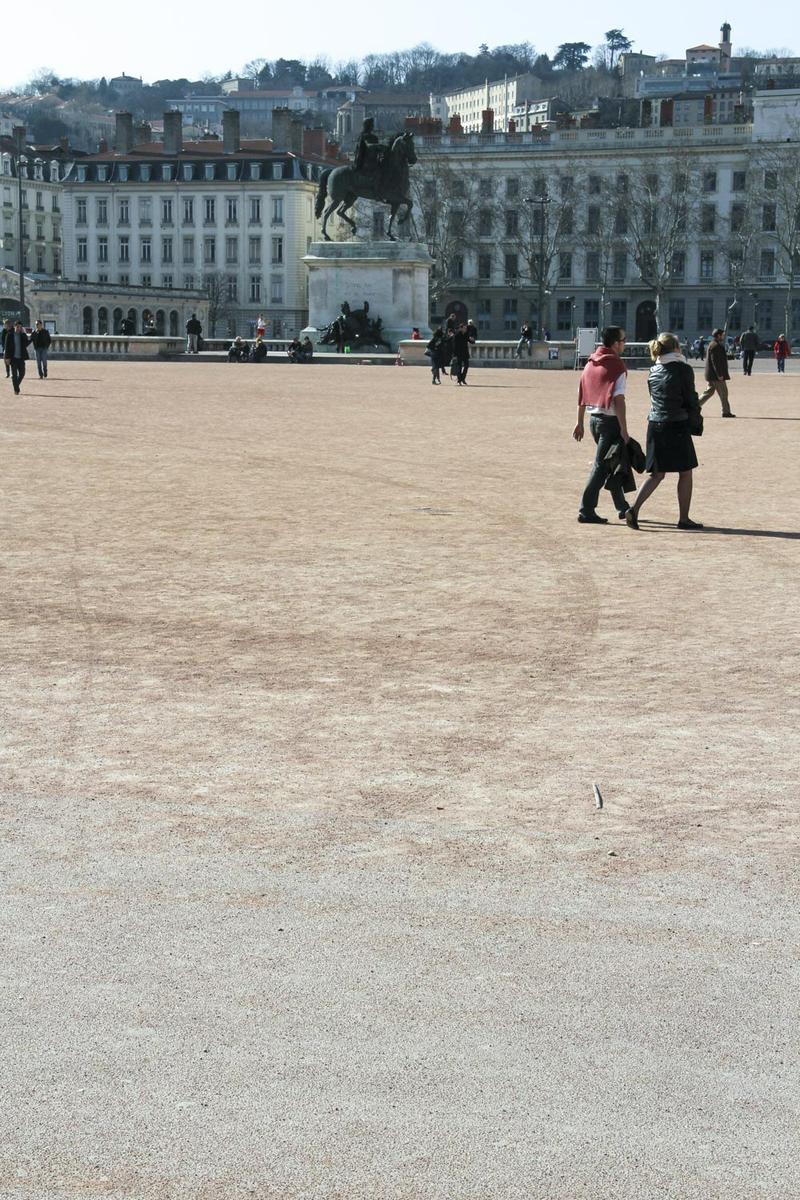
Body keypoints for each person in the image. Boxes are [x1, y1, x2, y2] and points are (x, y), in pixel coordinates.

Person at [625, 332, 702, 531]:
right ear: (676, 347)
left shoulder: (654, 370)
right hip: (676, 424)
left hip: (655, 424)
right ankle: (684, 518)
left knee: (656, 474)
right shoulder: (683, 369)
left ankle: (633, 509)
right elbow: (690, 398)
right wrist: (696, 420)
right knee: (685, 472)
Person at [573, 326, 631, 524]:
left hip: (593, 421)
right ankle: (586, 509)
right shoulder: (616, 366)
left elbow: (582, 393)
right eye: (623, 340)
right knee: (602, 466)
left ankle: (622, 507)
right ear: (615, 343)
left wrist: (579, 422)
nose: (625, 343)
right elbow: (619, 400)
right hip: (610, 421)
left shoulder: (591, 362)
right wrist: (624, 428)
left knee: (611, 463)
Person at [699, 328, 734, 417]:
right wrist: (720, 375)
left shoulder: (713, 344)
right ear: (718, 335)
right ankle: (726, 412)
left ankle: (693, 408)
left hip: (712, 375)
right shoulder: (716, 346)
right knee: (724, 393)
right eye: (722, 335)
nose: (723, 336)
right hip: (716, 375)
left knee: (708, 393)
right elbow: (715, 362)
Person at [4, 319, 31, 395]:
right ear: (15, 326)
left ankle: (16, 385)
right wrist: (7, 358)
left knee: (22, 373)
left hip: (21, 358)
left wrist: (25, 334)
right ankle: (16, 390)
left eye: (20, 327)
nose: (19, 328)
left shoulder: (22, 335)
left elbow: (26, 344)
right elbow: (7, 347)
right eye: (18, 327)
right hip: (13, 358)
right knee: (14, 375)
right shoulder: (9, 335)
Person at [451, 321, 475, 385]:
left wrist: (472, 340)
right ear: (460, 328)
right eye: (464, 328)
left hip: (465, 353)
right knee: (459, 367)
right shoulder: (457, 335)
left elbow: (471, 341)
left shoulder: (466, 334)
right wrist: (454, 354)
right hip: (459, 353)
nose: (465, 329)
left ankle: (463, 378)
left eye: (466, 328)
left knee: (466, 366)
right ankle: (459, 380)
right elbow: (454, 346)